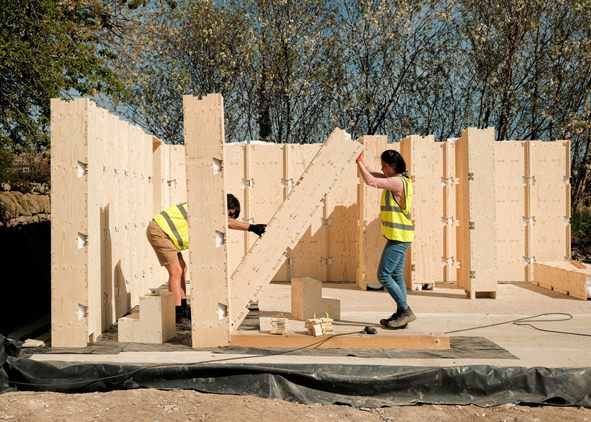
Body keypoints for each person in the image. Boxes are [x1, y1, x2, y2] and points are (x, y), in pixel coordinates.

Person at [146, 194, 267, 324]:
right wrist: (252, 227)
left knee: (182, 268)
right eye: (230, 214)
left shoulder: (206, 207)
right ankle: (177, 313)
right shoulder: (208, 207)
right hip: (160, 231)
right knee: (175, 272)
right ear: (225, 206)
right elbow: (223, 220)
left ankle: (183, 307)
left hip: (167, 233)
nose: (230, 218)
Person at [356, 149, 416, 329]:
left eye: (385, 166)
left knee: (383, 274)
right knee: (397, 275)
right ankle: (401, 315)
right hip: (401, 236)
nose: (382, 169)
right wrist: (361, 161)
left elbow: (370, 180)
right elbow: (373, 173)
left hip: (398, 237)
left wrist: (357, 161)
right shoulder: (401, 180)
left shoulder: (397, 182)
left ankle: (405, 310)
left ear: (394, 166)